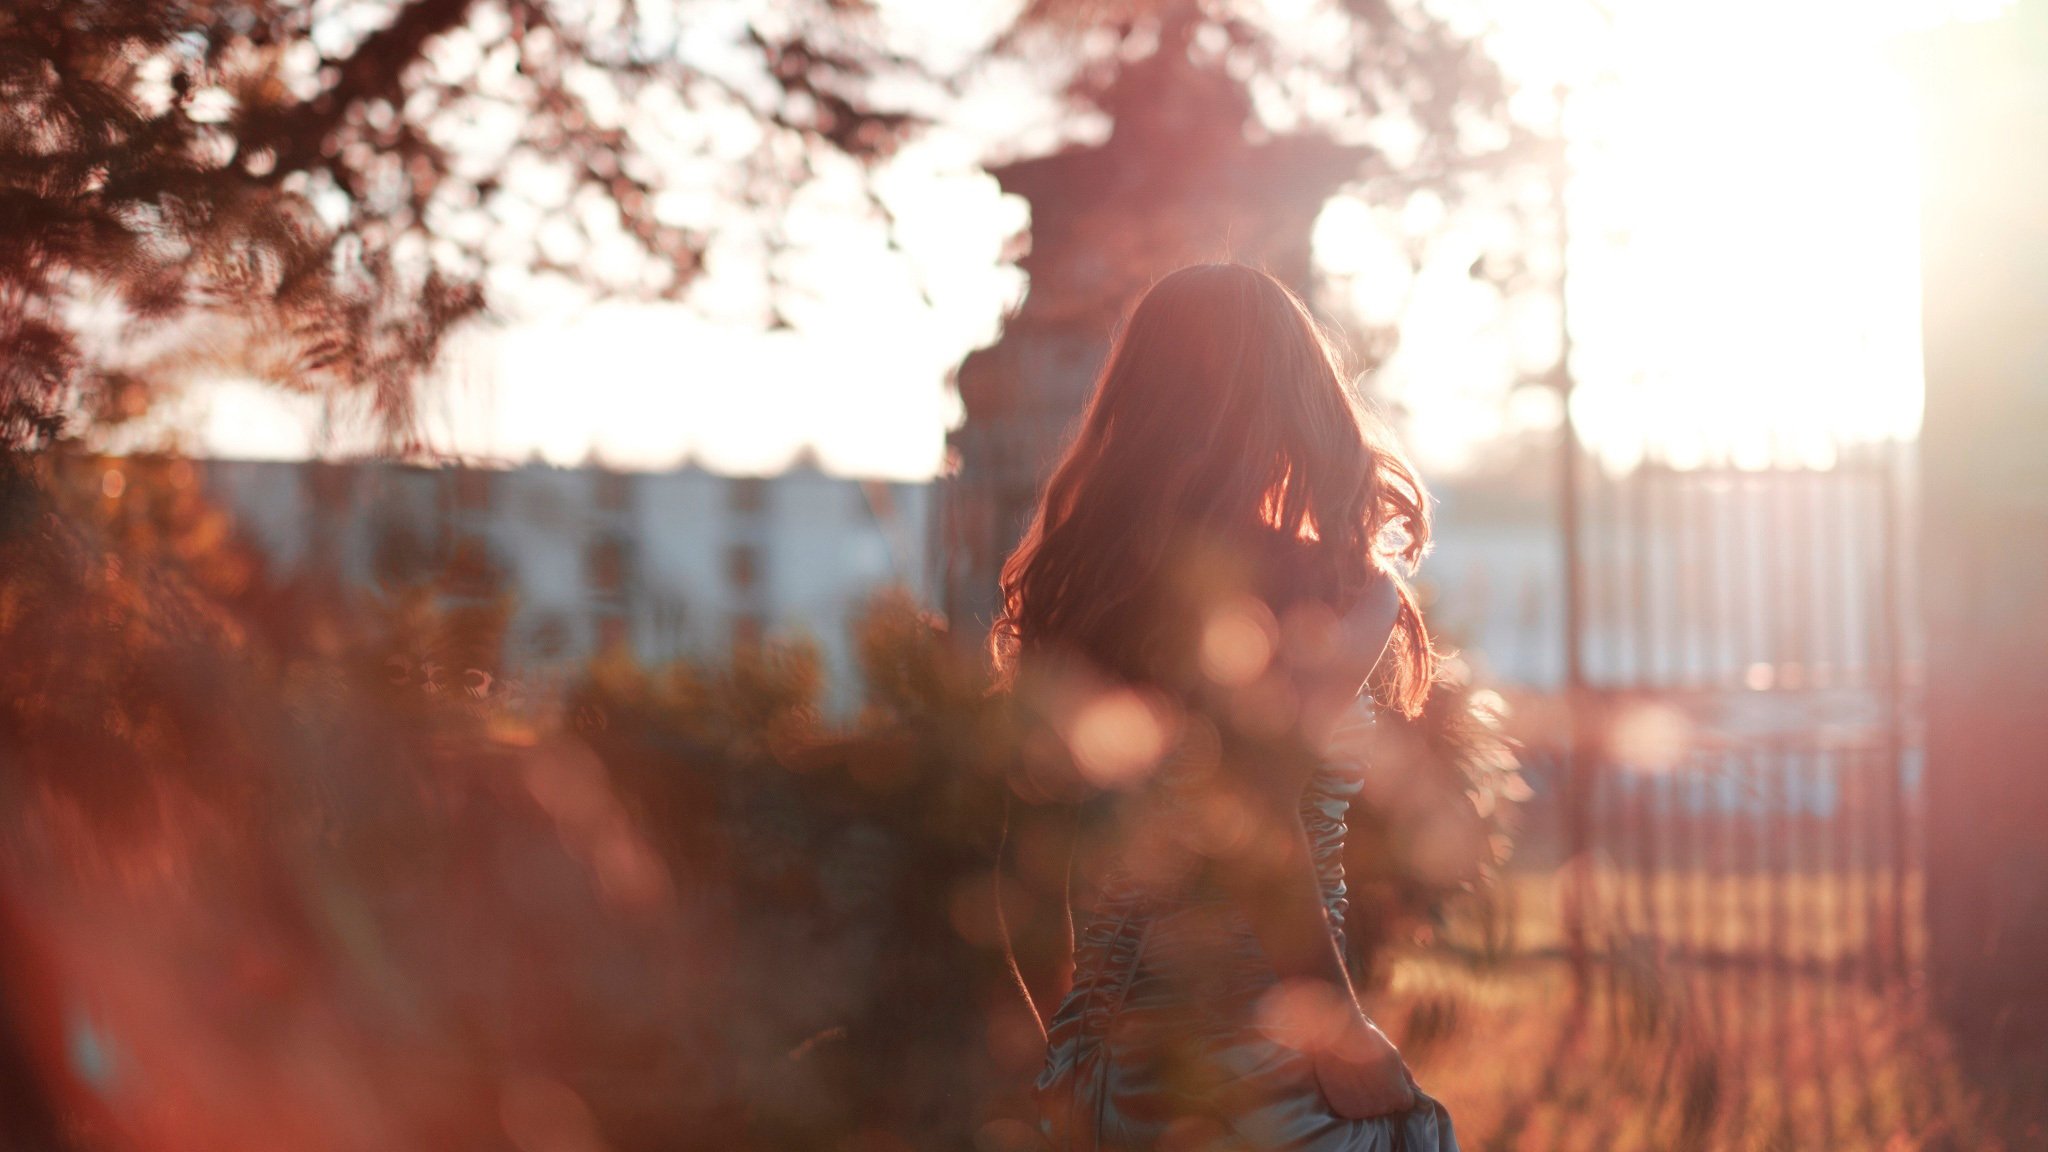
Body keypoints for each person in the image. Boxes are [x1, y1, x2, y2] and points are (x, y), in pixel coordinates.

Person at [991, 263, 1458, 1151]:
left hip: (1101, 1072)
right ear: (1296, 397)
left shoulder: (1075, 595)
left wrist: (1056, 1057)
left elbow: (1024, 858)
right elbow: (1259, 805)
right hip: (1265, 1062)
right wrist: (1342, 1032)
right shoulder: (1343, 587)